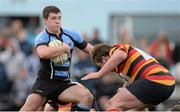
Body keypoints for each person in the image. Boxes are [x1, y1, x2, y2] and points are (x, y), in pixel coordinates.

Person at [20, 5, 94, 111]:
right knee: (28, 109)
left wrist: (109, 54)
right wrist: (63, 48)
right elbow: (42, 53)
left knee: (87, 97)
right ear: (45, 21)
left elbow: (92, 50)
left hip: (63, 83)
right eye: (53, 18)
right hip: (45, 82)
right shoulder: (42, 37)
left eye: (59, 18)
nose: (57, 21)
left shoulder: (71, 34)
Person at [82, 43, 175, 111]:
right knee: (138, 109)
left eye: (100, 65)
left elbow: (121, 55)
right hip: (168, 84)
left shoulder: (115, 49)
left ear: (104, 59)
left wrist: (99, 73)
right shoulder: (124, 68)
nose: (105, 68)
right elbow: (132, 82)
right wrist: (124, 88)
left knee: (112, 103)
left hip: (156, 80)